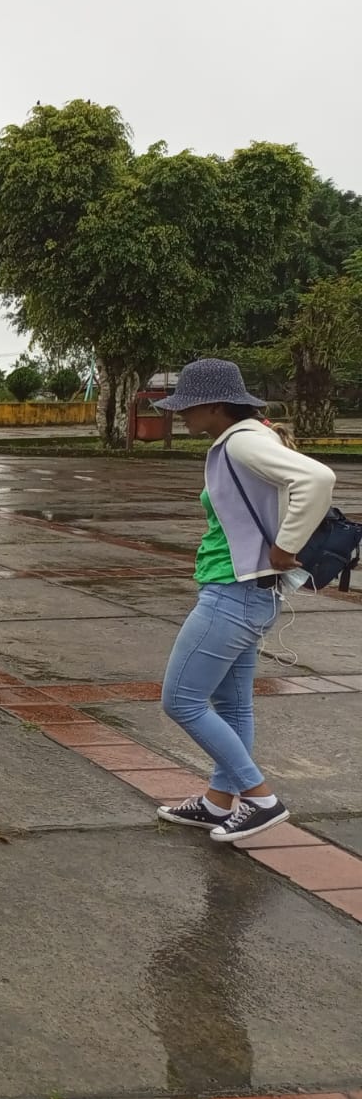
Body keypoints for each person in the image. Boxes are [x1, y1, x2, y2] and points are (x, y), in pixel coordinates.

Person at [153, 358, 336, 842]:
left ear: (216, 406)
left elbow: (317, 479)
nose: (180, 415)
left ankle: (260, 798)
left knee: (181, 700)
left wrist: (286, 547)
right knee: (232, 706)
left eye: (187, 406)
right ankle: (219, 801)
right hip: (245, 592)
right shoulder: (247, 437)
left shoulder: (242, 441)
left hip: (234, 594)